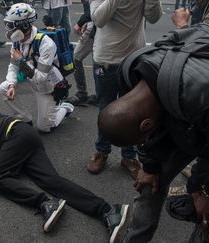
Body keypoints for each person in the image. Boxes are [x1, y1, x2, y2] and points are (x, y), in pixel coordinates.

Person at [96, 4, 209, 242]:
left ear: (147, 125)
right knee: (150, 185)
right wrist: (148, 166)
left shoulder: (202, 97)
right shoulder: (130, 69)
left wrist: (200, 189)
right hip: (179, 118)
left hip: (199, 120)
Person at [0, 106, 129, 241]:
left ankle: (45, 203)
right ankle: (109, 211)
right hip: (24, 138)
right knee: (51, 181)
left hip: (15, 135)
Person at [86, 0, 162, 179]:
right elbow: (98, 19)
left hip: (134, 59)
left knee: (135, 112)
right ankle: (102, 151)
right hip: (107, 59)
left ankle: (129, 157)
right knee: (105, 107)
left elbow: (154, 17)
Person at [0, 3, 74, 133]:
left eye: (11, 26)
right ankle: (25, 118)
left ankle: (65, 108)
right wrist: (11, 84)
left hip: (48, 87)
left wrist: (21, 60)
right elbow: (13, 66)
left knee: (45, 128)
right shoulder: (17, 41)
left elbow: (41, 78)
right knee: (4, 88)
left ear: (24, 26)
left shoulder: (46, 44)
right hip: (31, 79)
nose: (9, 31)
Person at [65, 0, 97, 106]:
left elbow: (95, 8)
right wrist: (86, 21)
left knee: (76, 58)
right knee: (97, 61)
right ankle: (100, 94)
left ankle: (82, 93)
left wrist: (81, 22)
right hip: (96, 24)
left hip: (96, 25)